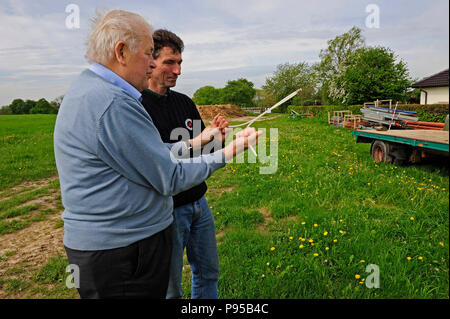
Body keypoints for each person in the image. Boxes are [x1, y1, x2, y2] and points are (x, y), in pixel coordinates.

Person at [53, 9, 260, 299]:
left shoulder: (95, 92)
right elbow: (169, 176)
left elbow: (152, 152)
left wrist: (197, 142)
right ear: (121, 51)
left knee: (206, 271)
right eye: (150, 54)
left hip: (123, 246)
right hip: (121, 252)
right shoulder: (113, 103)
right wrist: (233, 150)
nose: (151, 65)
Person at [141, 29, 228, 299]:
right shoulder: (136, 106)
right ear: (150, 62)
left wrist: (218, 138)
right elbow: (156, 161)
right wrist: (199, 142)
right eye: (170, 62)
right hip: (166, 211)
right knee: (170, 288)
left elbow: (206, 146)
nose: (177, 70)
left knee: (208, 271)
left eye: (180, 63)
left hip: (198, 204)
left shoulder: (184, 102)